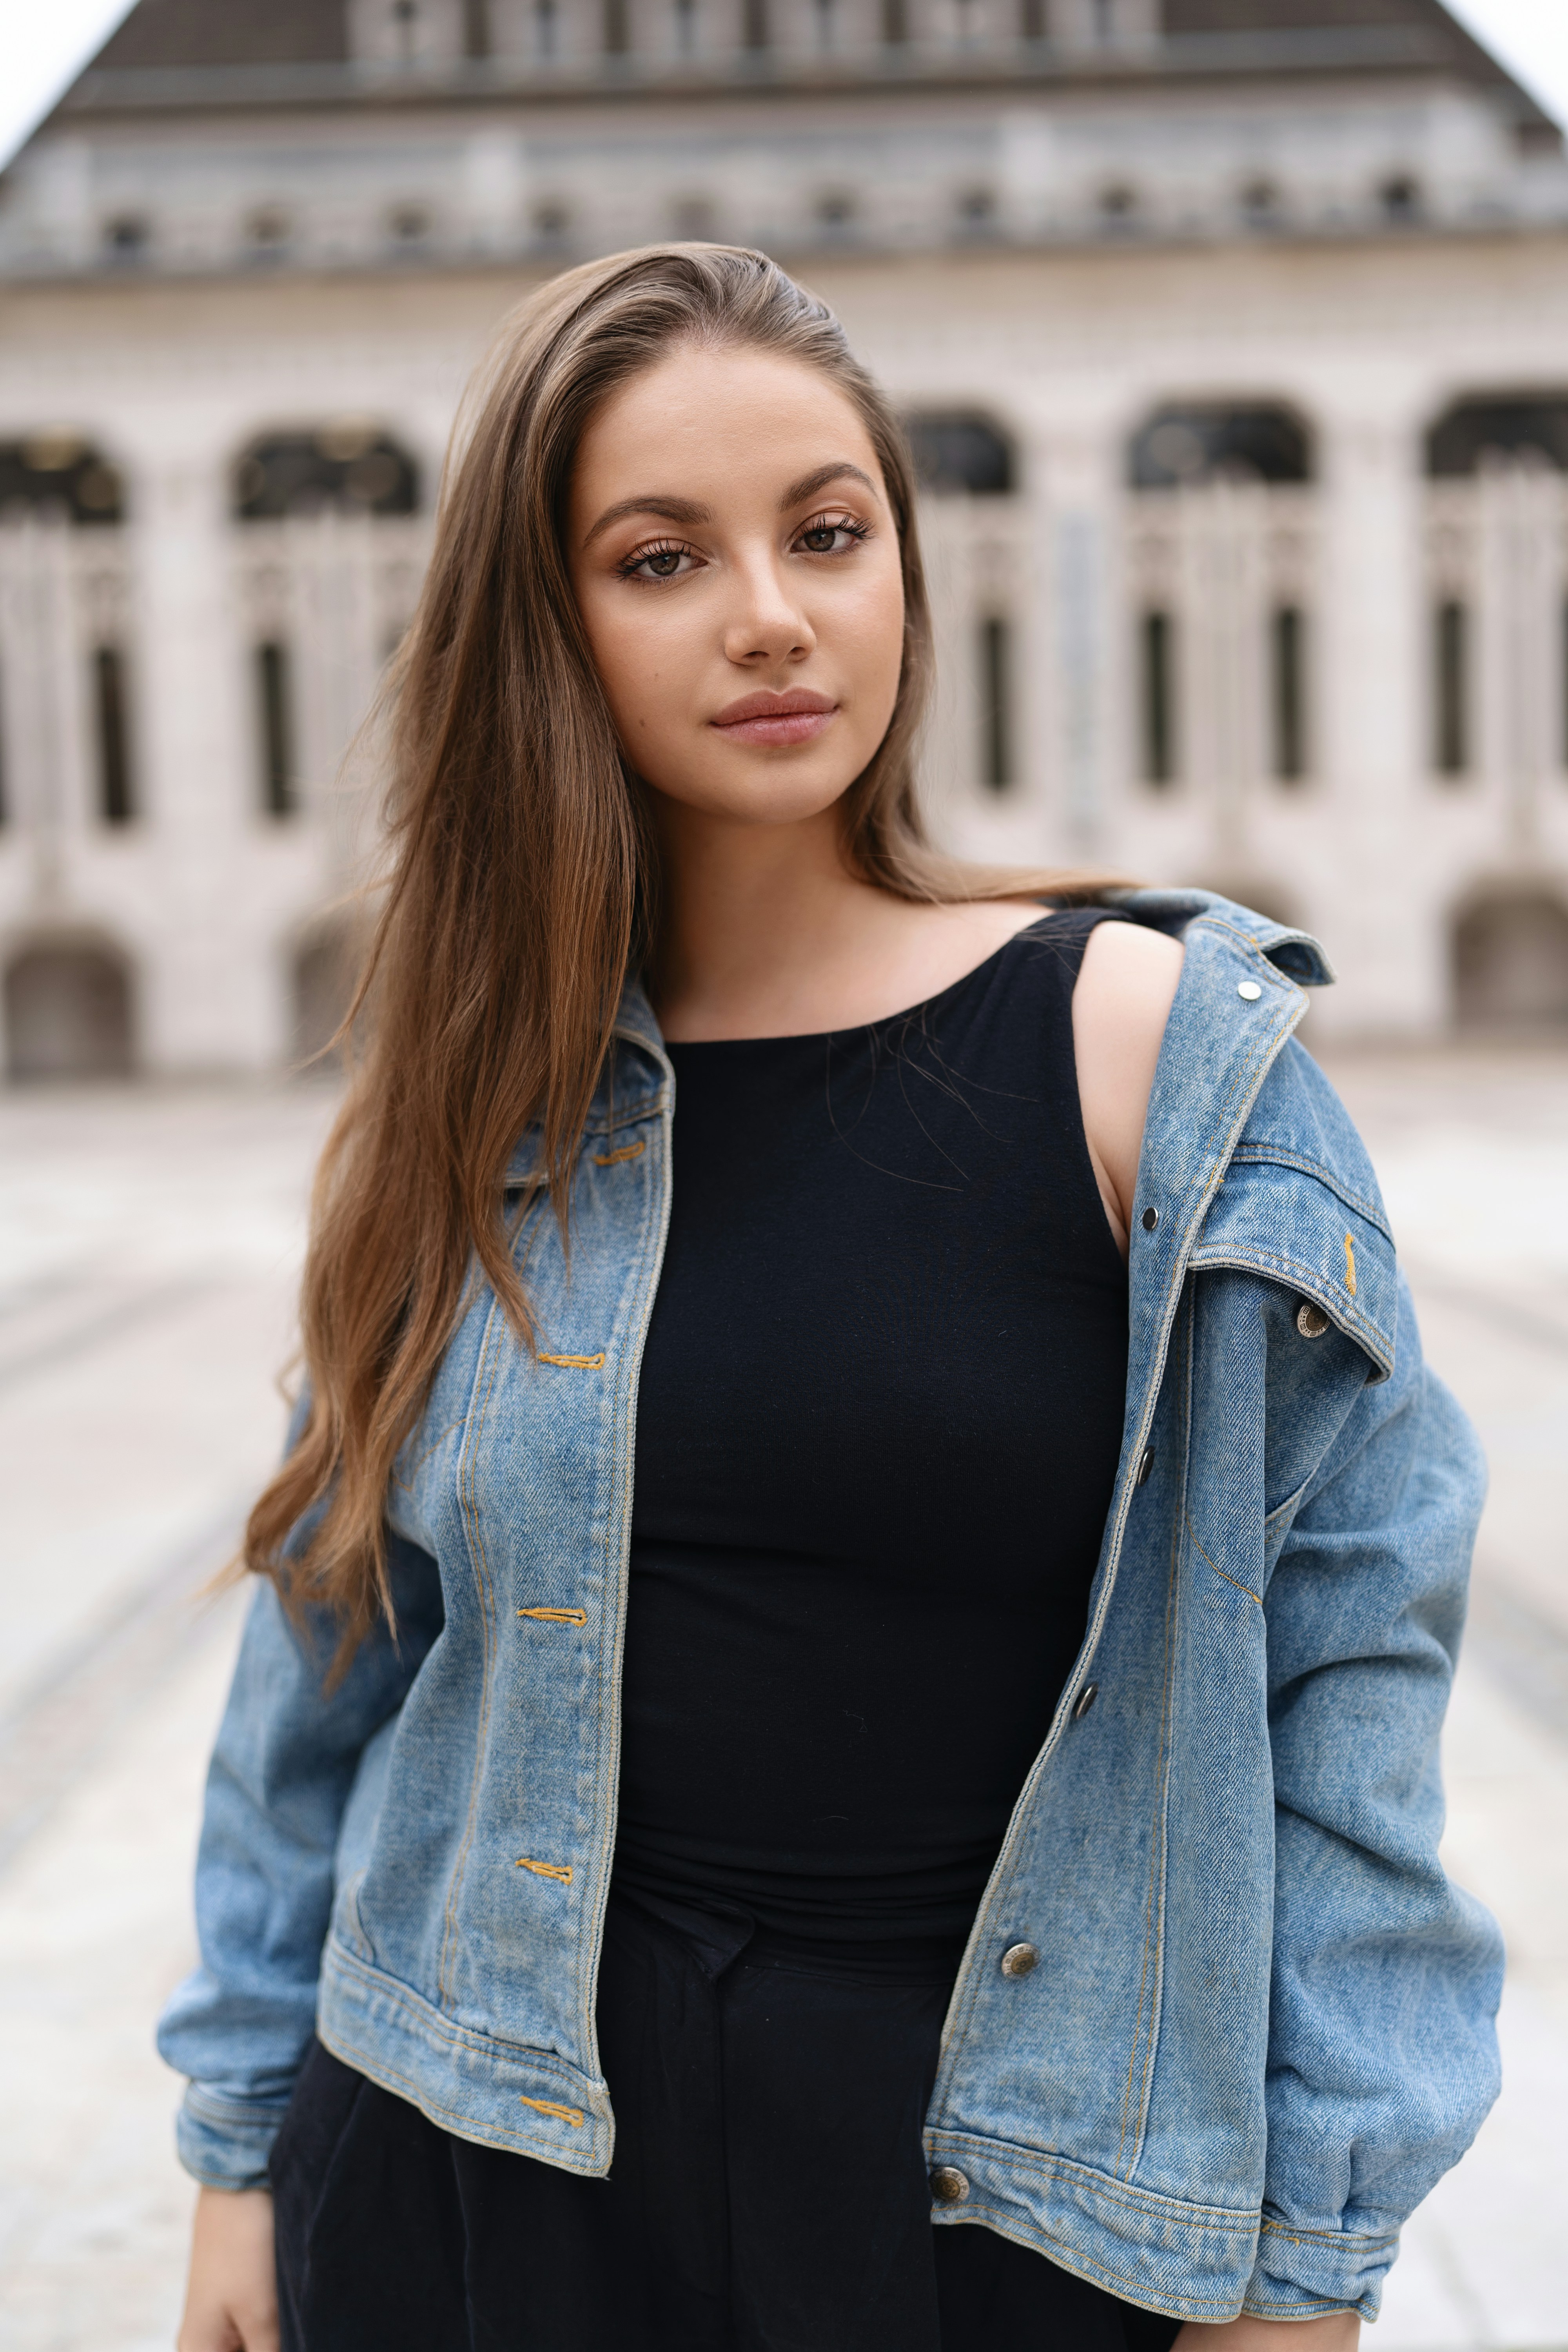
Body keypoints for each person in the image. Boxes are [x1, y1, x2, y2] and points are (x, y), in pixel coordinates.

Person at [161, 245, 1502, 2352]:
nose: (771, 614)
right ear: (547, 628)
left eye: (827, 533)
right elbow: (332, 1637)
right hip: (471, 2168)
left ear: (903, 572)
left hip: (995, 2197)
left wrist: (1308, 2259)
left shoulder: (1158, 1057)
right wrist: (242, 2145)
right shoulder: (475, 1095)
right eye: (660, 556)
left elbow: (1347, 1660)